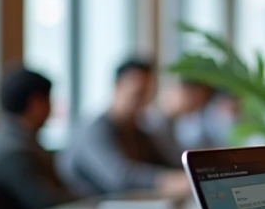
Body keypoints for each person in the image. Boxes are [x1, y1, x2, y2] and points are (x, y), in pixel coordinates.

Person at [58, 59, 189, 197]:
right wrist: (168, 181)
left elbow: (165, 163)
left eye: (147, 94)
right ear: (117, 86)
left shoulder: (137, 131)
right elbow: (119, 177)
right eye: (137, 93)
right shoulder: (94, 130)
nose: (143, 100)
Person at [0, 65, 74, 209]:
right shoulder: (13, 151)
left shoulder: (26, 143)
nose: (51, 108)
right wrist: (95, 200)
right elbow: (46, 202)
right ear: (36, 103)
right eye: (49, 100)